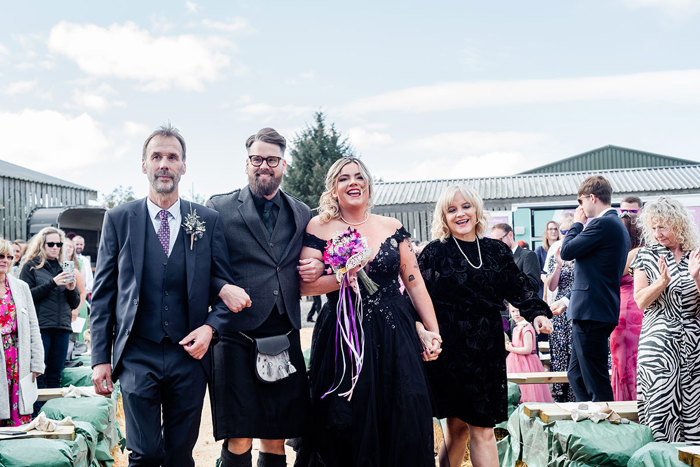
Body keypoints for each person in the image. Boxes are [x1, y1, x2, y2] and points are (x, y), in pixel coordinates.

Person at [90, 124, 233, 466]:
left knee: (180, 453)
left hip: (190, 357)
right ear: (144, 165)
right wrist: (99, 358)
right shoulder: (119, 219)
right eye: (157, 156)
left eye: (172, 157)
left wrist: (211, 328)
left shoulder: (207, 220)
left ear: (184, 166)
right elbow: (104, 293)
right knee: (145, 452)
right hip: (138, 354)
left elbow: (224, 287)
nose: (164, 164)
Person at [298, 157, 441, 466]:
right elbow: (305, 287)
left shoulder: (391, 227)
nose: (354, 182)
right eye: (344, 178)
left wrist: (433, 332)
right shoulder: (318, 227)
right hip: (343, 335)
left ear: (368, 185)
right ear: (333, 190)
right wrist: (343, 276)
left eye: (359, 177)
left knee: (405, 408)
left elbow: (415, 284)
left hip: (396, 333)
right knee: (349, 418)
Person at [206, 127, 324, 467]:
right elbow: (199, 268)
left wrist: (316, 271)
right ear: (247, 164)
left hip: (284, 334)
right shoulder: (219, 208)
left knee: (276, 437)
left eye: (272, 160)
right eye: (257, 159)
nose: (264, 166)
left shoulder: (302, 213)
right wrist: (221, 287)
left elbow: (313, 259)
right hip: (235, 334)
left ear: (283, 165)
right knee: (239, 436)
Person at [419, 184, 552, 467]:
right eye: (452, 209)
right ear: (443, 216)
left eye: (465, 206)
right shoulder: (433, 253)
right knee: (455, 429)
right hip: (450, 352)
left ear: (477, 209)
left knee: (483, 428)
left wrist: (538, 313)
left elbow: (519, 290)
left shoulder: (495, 251)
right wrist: (422, 332)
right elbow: (418, 301)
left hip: (486, 351)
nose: (460, 214)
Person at [631, 197, 700, 442]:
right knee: (660, 407)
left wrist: (696, 277)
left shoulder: (696, 255)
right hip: (659, 345)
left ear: (678, 224)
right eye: (653, 227)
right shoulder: (646, 256)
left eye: (663, 227)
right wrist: (661, 283)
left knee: (695, 410)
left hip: (693, 346)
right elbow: (640, 301)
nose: (657, 233)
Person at [559, 175, 630, 402]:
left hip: (592, 311)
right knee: (577, 375)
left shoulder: (603, 223)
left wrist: (576, 225)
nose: (580, 208)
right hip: (593, 309)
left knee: (594, 378)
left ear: (592, 197)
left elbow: (567, 251)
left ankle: (605, 428)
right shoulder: (612, 224)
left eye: (581, 202)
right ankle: (589, 422)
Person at [19, 227, 79, 389]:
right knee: (39, 374)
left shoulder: (65, 267)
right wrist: (52, 283)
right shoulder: (31, 267)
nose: (55, 247)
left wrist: (71, 288)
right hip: (40, 327)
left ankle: (51, 413)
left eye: (59, 244)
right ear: (41, 245)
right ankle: (37, 412)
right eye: (51, 243)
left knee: (56, 374)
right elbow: (26, 297)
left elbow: (74, 303)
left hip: (62, 327)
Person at [0, 239, 44, 426]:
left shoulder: (21, 287)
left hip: (18, 357)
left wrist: (37, 362)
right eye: (1, 256)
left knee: (19, 414)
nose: (5, 260)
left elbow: (33, 325)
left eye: (9, 257)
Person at [610, 212, 644, 401]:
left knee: (625, 365)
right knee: (630, 362)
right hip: (636, 311)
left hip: (627, 313)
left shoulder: (633, 253)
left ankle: (628, 404)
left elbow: (610, 276)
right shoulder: (642, 251)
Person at [544, 219, 576, 402]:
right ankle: (560, 394)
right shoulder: (557, 251)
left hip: (576, 306)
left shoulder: (582, 253)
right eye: (562, 230)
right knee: (559, 354)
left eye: (568, 230)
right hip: (559, 310)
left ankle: (575, 393)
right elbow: (552, 286)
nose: (564, 234)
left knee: (574, 353)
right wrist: (558, 265)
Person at [505, 305, 553, 403]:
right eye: (513, 311)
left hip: (526, 363)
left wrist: (511, 348)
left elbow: (527, 349)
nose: (516, 314)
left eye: (518, 311)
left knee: (528, 388)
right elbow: (518, 344)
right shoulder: (516, 328)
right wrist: (511, 344)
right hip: (515, 363)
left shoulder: (527, 328)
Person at [491, 223, 542, 295]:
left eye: (499, 240)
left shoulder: (528, 255)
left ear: (510, 235)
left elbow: (533, 286)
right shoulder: (495, 260)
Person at [63, 238, 89, 342]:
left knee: (76, 341)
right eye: (66, 246)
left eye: (70, 246)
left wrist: (76, 309)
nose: (68, 248)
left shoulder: (78, 265)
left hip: (77, 305)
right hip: (63, 307)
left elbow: (83, 291)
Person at [535, 221, 560, 294]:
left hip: (559, 287)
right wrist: (542, 275)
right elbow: (534, 270)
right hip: (544, 289)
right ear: (546, 232)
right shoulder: (539, 250)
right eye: (551, 229)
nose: (553, 231)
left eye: (556, 229)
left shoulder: (563, 249)